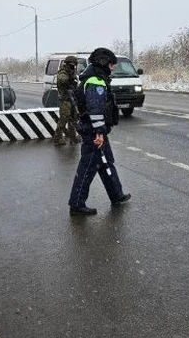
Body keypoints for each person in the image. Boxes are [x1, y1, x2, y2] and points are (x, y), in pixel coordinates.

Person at [68, 48, 131, 216]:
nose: (112, 68)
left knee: (106, 162)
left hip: (95, 130)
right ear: (104, 63)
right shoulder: (96, 81)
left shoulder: (94, 78)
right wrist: (99, 134)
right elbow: (95, 110)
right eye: (111, 65)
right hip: (93, 132)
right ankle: (77, 204)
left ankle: (116, 194)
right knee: (88, 167)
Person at [53, 55, 81, 146]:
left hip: (72, 99)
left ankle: (73, 137)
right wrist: (70, 79)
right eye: (72, 65)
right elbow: (62, 79)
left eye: (74, 65)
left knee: (73, 119)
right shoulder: (63, 72)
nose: (73, 67)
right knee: (63, 119)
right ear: (67, 64)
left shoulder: (72, 72)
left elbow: (75, 83)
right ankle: (57, 138)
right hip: (65, 100)